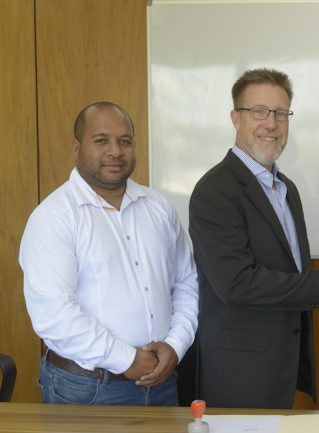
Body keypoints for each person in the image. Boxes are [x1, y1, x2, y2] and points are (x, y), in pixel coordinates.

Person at [19, 102, 198, 406]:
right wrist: (127, 359)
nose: (115, 151)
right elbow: (54, 314)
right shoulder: (54, 216)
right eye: (101, 140)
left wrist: (175, 344)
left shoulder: (159, 207)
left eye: (124, 141)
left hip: (163, 381)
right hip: (87, 389)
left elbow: (185, 282)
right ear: (77, 147)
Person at [189, 68, 319, 409]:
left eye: (280, 113)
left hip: (281, 368)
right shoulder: (215, 190)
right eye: (258, 111)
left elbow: (290, 270)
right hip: (240, 374)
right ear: (235, 118)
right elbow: (236, 283)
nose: (271, 124)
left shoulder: (286, 189)